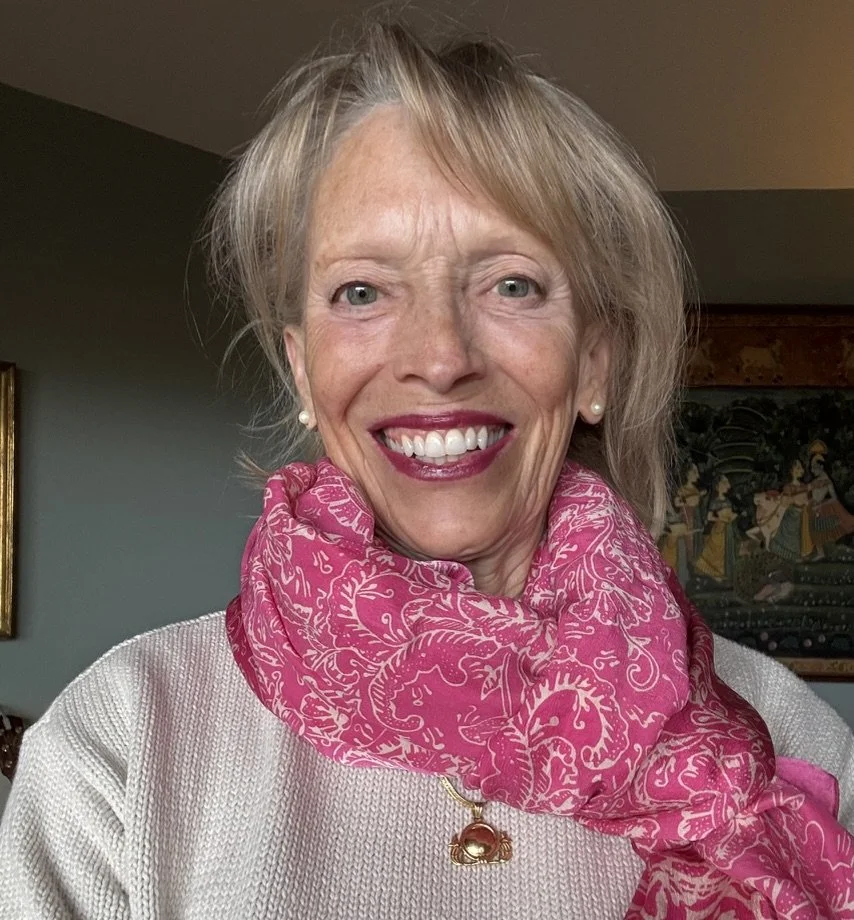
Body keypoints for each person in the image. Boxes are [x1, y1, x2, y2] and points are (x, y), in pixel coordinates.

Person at [2, 21, 853, 920]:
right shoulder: (126, 742)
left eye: (512, 284)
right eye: (362, 291)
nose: (440, 356)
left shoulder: (786, 734)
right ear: (303, 367)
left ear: (594, 364)